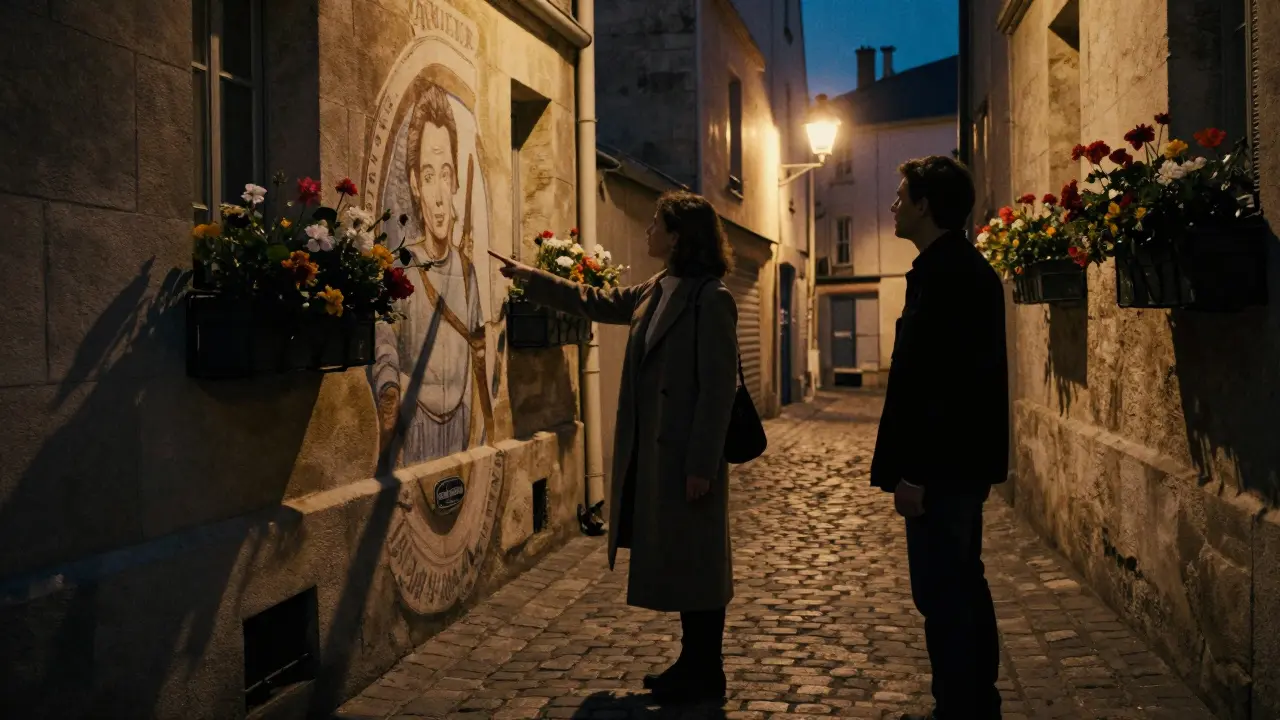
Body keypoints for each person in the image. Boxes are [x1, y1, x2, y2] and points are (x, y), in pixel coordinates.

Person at [489, 190, 739, 705]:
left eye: (656, 224)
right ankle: (692, 665)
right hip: (654, 453)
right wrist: (529, 278)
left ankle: (705, 672)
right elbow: (595, 302)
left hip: (688, 457)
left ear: (676, 236)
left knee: (699, 564)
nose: (647, 231)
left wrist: (702, 465)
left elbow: (719, 391)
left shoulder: (710, 298)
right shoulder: (657, 288)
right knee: (681, 560)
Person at [869, 156, 1008, 720]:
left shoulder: (951, 276)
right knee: (955, 588)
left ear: (926, 205)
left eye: (902, 195)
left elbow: (943, 389)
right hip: (953, 467)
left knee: (946, 592)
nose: (894, 205)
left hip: (944, 471)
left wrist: (915, 473)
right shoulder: (945, 269)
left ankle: (962, 707)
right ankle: (967, 702)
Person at [369, 80, 492, 470]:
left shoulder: (468, 274)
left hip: (459, 425)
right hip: (416, 426)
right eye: (427, 175)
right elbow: (385, 346)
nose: (439, 195)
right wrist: (390, 400)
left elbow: (476, 355)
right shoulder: (400, 267)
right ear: (414, 185)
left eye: (445, 173)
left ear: (455, 179)